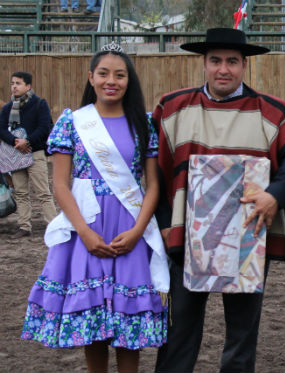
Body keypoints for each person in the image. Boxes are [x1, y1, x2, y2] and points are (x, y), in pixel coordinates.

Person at [153, 28, 285, 373]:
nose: (223, 69)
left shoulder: (272, 113)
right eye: (215, 61)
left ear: (244, 66)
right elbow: (155, 172)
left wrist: (275, 194)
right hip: (186, 237)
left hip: (248, 237)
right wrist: (165, 225)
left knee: (242, 334)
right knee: (179, 327)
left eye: (232, 62)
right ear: (204, 64)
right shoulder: (172, 109)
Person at [20, 42, 170, 372]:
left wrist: (137, 231)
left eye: (119, 74)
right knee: (94, 323)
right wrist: (85, 233)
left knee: (128, 322)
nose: (110, 81)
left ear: (129, 80)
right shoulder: (72, 122)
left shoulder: (144, 124)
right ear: (91, 77)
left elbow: (153, 185)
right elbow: (59, 184)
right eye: (103, 73)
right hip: (84, 229)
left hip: (129, 226)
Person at [0, 71, 57, 238]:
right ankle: (24, 226)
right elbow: (1, 129)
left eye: (18, 83)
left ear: (28, 86)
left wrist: (27, 141)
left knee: (43, 192)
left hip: (35, 153)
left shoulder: (40, 104)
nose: (14, 87)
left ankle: (52, 225)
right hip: (15, 155)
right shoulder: (8, 108)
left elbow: (44, 128)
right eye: (12, 83)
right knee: (20, 192)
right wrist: (15, 142)